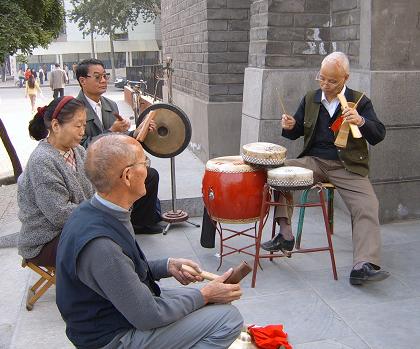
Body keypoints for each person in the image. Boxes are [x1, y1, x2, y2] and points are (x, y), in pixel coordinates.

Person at [55, 134, 243, 349]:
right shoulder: (101, 245)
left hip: (116, 311)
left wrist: (167, 266)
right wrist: (205, 295)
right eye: (144, 163)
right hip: (111, 338)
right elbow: (148, 316)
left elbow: (125, 270)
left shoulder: (97, 210)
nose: (148, 169)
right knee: (228, 318)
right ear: (127, 176)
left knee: (198, 302)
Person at [261, 51, 390, 286]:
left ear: (346, 78)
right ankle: (285, 234)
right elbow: (297, 129)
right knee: (277, 173)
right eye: (321, 78)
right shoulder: (311, 98)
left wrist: (361, 120)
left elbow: (378, 134)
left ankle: (363, 264)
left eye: (332, 80)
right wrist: (290, 125)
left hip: (347, 165)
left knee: (367, 204)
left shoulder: (359, 101)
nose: (325, 85)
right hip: (315, 162)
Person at [75, 58, 162, 234]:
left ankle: (141, 222)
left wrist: (136, 132)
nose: (104, 80)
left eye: (105, 76)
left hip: (114, 163)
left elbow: (118, 140)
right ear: (82, 81)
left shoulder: (110, 104)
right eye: (97, 77)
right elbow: (80, 145)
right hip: (92, 167)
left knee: (148, 173)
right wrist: (111, 130)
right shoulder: (76, 108)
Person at [17, 96, 94, 267]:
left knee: (113, 231)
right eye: (77, 125)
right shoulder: (42, 160)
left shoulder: (79, 151)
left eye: (84, 125)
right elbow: (60, 215)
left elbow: (94, 187)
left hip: (74, 226)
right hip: (45, 240)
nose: (82, 131)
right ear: (56, 126)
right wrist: (100, 211)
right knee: (101, 243)